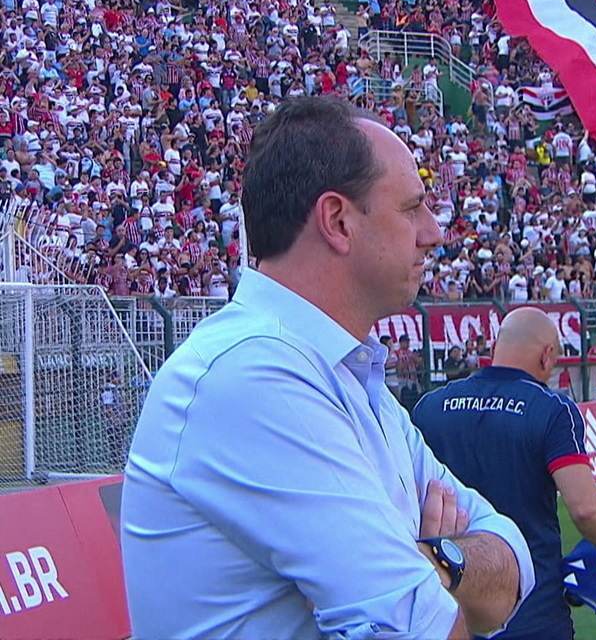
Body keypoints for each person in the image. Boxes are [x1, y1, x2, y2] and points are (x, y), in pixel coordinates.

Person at [121, 97, 535, 639]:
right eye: (412, 208)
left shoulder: (349, 376)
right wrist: (436, 570)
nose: (433, 232)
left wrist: (435, 562)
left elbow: (512, 569)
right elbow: (420, 631)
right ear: (337, 221)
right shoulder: (251, 375)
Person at [413, 307, 596, 640]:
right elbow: (586, 508)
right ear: (547, 356)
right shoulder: (551, 409)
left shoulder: (430, 406)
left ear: (495, 347)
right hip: (532, 612)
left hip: (449, 610)